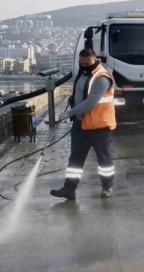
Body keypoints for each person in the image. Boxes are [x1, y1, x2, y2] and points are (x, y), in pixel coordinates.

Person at [50, 48, 116, 200]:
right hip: (81, 124)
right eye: (81, 63)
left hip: (100, 126)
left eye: (87, 63)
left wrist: (68, 113)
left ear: (95, 60)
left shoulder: (102, 77)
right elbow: (80, 93)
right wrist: (73, 100)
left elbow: (91, 102)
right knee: (75, 159)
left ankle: (107, 187)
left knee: (103, 159)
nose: (84, 65)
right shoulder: (82, 74)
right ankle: (69, 189)